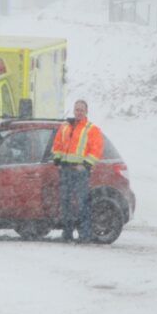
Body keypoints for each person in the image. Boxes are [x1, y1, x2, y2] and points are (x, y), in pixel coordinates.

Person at [51, 99, 104, 242]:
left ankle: (85, 235)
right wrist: (58, 160)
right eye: (77, 109)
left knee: (82, 204)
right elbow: (57, 145)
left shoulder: (91, 129)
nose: (78, 112)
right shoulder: (65, 126)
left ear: (86, 112)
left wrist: (85, 165)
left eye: (81, 110)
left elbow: (96, 150)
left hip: (80, 172)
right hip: (66, 170)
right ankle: (67, 234)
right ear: (74, 110)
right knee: (66, 204)